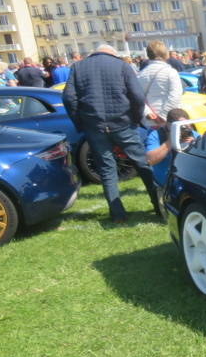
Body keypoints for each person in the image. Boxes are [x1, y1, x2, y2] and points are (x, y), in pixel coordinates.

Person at [62, 44, 161, 224]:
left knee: (107, 170)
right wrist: (137, 118)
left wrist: (81, 122)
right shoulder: (122, 66)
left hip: (94, 125)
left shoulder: (77, 67)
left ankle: (118, 215)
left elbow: (69, 98)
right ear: (113, 54)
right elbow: (137, 97)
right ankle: (158, 207)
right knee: (143, 165)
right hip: (123, 123)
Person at [145, 107, 192, 188]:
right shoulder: (157, 135)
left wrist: (195, 145)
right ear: (167, 125)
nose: (182, 129)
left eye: (185, 126)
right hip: (164, 183)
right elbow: (150, 160)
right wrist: (170, 141)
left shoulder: (193, 134)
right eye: (178, 126)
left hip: (187, 182)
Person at [138, 40, 183, 125]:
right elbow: (175, 96)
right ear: (165, 54)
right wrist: (163, 116)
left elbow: (138, 98)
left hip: (150, 120)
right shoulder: (171, 72)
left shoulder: (140, 75)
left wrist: (147, 113)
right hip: (170, 119)